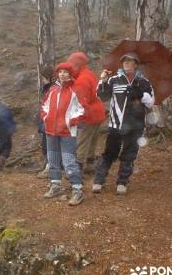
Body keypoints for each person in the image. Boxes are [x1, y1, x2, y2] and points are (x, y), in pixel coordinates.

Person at [93, 53, 155, 195]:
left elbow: (151, 101)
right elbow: (101, 97)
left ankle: (122, 182)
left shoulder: (143, 81)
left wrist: (140, 95)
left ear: (136, 64)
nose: (126, 63)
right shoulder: (114, 79)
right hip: (116, 124)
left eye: (130, 61)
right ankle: (98, 181)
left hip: (135, 126)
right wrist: (102, 81)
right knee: (109, 153)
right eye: (124, 61)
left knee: (129, 154)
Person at [40, 62, 85, 206]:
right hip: (51, 131)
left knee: (69, 161)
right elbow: (44, 106)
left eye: (65, 72)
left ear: (70, 74)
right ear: (57, 74)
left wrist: (71, 121)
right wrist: (45, 118)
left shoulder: (75, 89)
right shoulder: (52, 90)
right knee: (52, 159)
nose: (62, 74)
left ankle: (77, 190)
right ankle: (56, 185)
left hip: (67, 132)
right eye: (60, 72)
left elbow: (83, 109)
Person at [68, 52, 106, 174]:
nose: (70, 68)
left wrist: (79, 119)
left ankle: (76, 169)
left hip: (89, 114)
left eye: (71, 65)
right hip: (98, 112)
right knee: (92, 139)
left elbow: (81, 103)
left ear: (77, 65)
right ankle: (90, 164)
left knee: (82, 142)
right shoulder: (88, 74)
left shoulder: (81, 81)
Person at [36, 66, 55, 179]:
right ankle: (47, 166)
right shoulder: (47, 88)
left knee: (48, 146)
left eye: (43, 77)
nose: (43, 80)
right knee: (45, 145)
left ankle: (49, 168)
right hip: (45, 121)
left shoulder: (52, 89)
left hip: (49, 122)